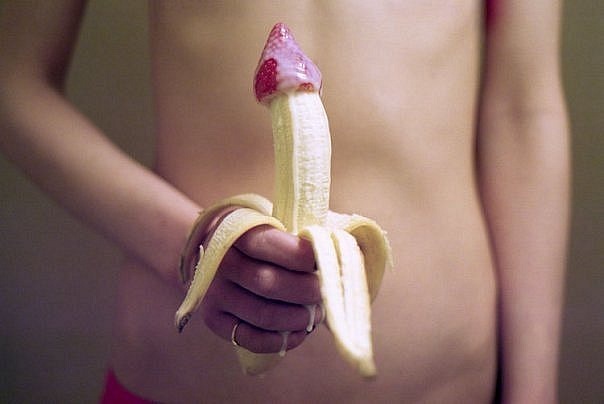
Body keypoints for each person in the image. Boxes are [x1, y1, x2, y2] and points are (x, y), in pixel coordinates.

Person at [0, 1, 569, 402]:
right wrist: (189, 242)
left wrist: (535, 392)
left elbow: (524, 113)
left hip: (445, 383)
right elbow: (13, 81)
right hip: (184, 380)